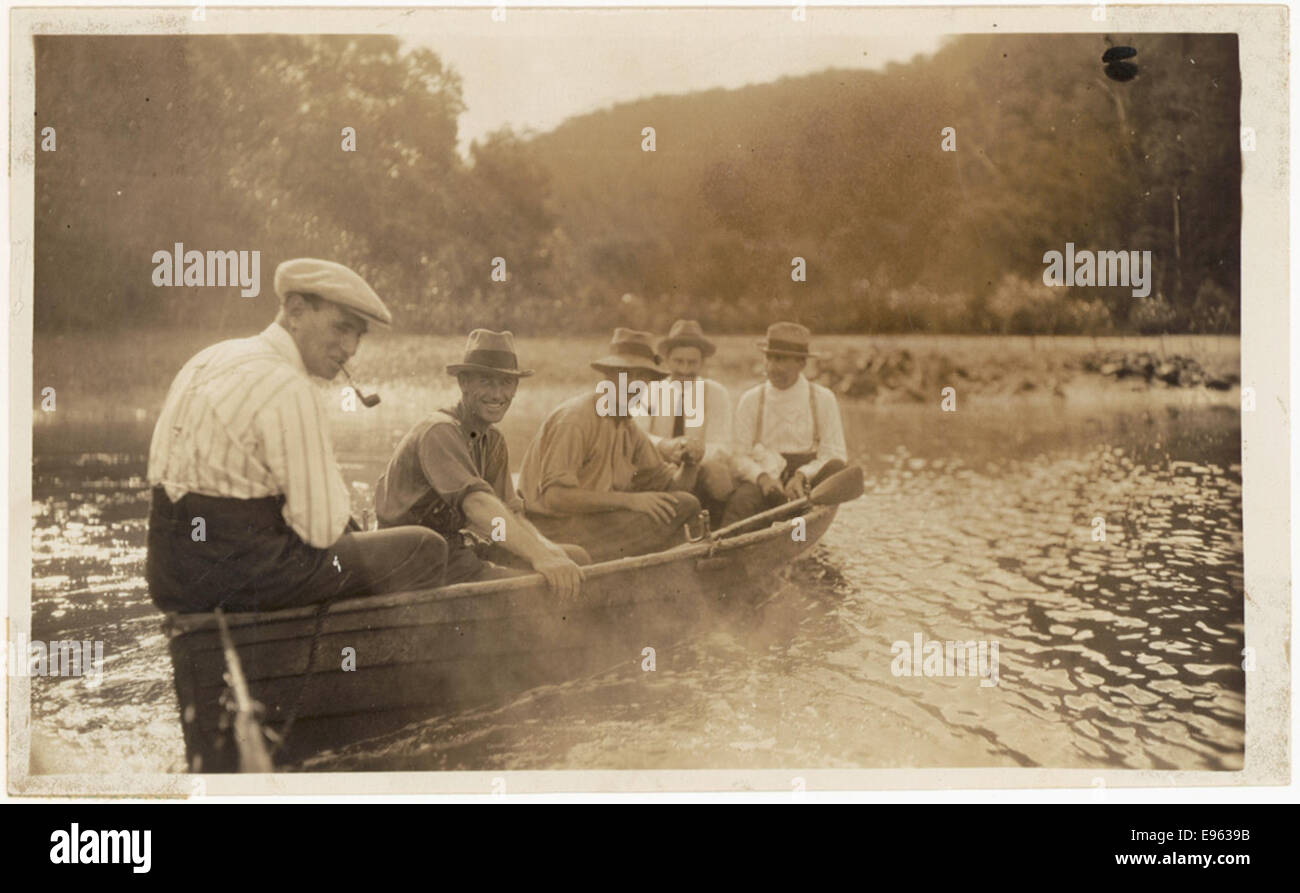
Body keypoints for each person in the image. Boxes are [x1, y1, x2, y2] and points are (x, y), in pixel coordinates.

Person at [145, 258, 448, 613]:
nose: (350, 348)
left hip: (169, 578)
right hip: (235, 577)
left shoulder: (210, 357)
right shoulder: (289, 387)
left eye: (358, 335)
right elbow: (321, 531)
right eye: (341, 328)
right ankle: (371, 660)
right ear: (295, 310)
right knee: (424, 549)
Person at [374, 329, 588, 596]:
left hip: (456, 548)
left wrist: (546, 549)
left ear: (516, 387)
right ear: (464, 382)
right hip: (414, 559)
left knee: (574, 558)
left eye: (506, 383)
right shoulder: (439, 431)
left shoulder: (493, 440)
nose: (498, 394)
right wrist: (541, 559)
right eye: (486, 382)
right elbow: (476, 503)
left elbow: (511, 513)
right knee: (532, 591)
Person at [516, 329, 702, 562]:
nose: (633, 385)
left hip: (592, 522)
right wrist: (630, 501)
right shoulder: (576, 419)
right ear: (607, 377)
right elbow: (555, 497)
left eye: (642, 377)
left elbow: (670, 487)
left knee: (686, 505)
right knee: (673, 523)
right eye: (625, 374)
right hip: (550, 527)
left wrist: (690, 462)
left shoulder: (628, 426)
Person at [722, 322, 848, 527]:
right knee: (741, 504)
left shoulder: (823, 399)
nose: (772, 367)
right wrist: (762, 478)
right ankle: (724, 551)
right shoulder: (751, 399)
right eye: (769, 358)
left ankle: (797, 532)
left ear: (801, 363)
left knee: (836, 470)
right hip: (764, 478)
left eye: (780, 359)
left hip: (807, 484)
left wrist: (801, 476)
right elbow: (738, 454)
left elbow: (835, 454)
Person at [634, 319, 735, 522]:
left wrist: (693, 453)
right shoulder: (650, 390)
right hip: (658, 463)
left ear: (702, 363)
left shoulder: (716, 393)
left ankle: (717, 527)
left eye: (692, 362)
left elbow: (722, 445)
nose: (685, 369)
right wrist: (665, 445)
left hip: (701, 465)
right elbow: (637, 432)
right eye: (679, 361)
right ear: (667, 360)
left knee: (718, 475)